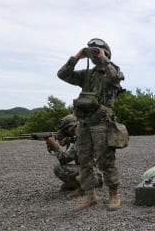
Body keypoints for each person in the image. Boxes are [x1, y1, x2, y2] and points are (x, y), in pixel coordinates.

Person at [57, 38, 125, 211]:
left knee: (105, 161)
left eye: (97, 51)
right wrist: (76, 57)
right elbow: (63, 74)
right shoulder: (86, 74)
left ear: (106, 53)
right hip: (84, 124)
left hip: (102, 123)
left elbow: (115, 78)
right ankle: (90, 195)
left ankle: (114, 194)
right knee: (84, 161)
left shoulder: (112, 70)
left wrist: (104, 60)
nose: (94, 55)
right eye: (91, 51)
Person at [45, 114, 103, 198]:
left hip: (94, 175)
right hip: (98, 173)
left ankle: (83, 185)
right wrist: (69, 140)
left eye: (69, 130)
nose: (69, 133)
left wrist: (54, 146)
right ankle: (79, 183)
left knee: (58, 168)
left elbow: (64, 159)